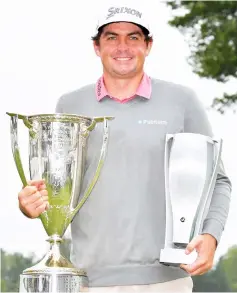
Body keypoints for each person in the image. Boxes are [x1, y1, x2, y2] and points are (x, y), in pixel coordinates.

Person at [17, 4, 232, 292]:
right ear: (96, 46)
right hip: (89, 282)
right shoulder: (70, 106)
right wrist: (33, 204)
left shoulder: (182, 101)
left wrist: (211, 235)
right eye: (111, 37)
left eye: (133, 37)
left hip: (166, 281)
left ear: (148, 45)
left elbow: (217, 180)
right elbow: (60, 189)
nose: (123, 47)